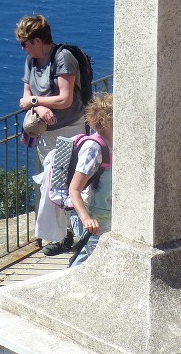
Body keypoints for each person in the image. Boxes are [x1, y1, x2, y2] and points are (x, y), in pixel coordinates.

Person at [15, 14, 87, 255]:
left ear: (37, 40)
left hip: (68, 129)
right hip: (46, 132)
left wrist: (36, 100)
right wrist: (40, 106)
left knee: (70, 183)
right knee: (52, 184)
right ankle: (63, 235)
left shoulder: (63, 58)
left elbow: (65, 99)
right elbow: (26, 97)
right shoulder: (31, 60)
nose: (23, 48)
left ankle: (83, 231)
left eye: (24, 43)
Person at [65, 93, 113, 268]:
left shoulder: (114, 144)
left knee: (90, 260)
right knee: (95, 263)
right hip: (93, 218)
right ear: (108, 121)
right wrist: (86, 219)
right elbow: (74, 189)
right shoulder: (94, 148)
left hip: (106, 217)